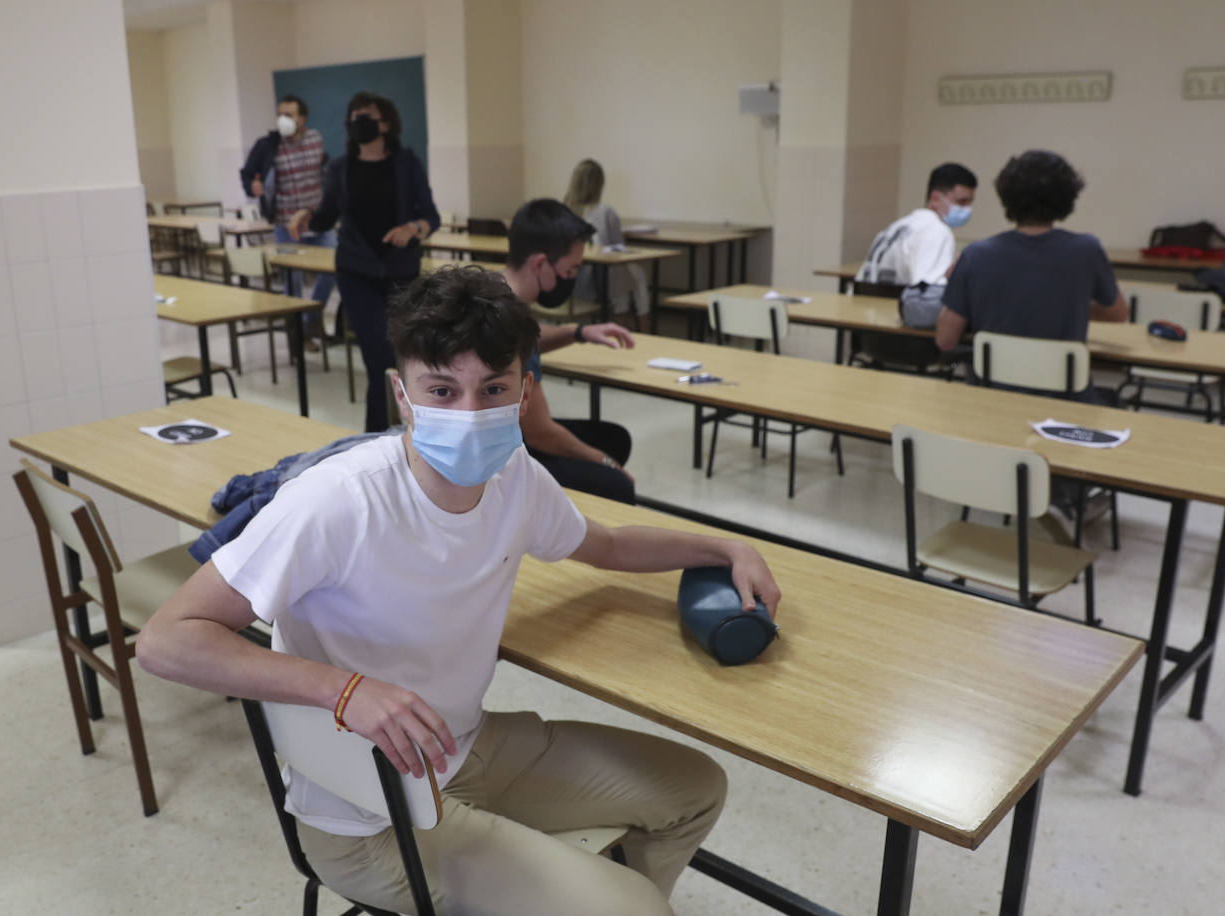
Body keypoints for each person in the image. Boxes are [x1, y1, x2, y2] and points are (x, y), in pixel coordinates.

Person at [136, 264, 781, 915]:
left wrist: (726, 547)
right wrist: (345, 690)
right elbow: (166, 640)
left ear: (523, 393)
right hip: (368, 817)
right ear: (401, 392)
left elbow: (606, 544)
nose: (470, 414)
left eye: (492, 388)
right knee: (630, 910)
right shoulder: (339, 502)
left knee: (694, 789)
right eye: (441, 390)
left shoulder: (515, 477)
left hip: (462, 749)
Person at [288, 91, 440, 432]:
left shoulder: (407, 163)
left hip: (401, 273)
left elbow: (431, 217)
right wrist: (305, 218)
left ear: (385, 122)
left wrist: (413, 228)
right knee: (378, 359)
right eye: (354, 116)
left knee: (401, 357)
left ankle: (403, 434)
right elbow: (326, 215)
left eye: (367, 115)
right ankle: (378, 438)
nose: (359, 121)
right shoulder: (340, 168)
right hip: (356, 272)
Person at [934, 150, 1127, 369]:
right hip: (1063, 392)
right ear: (1068, 197)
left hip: (992, 391)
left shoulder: (975, 255)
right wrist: (1065, 303)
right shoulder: (1086, 250)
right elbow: (1118, 314)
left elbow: (945, 340)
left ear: (1006, 196)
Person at [503, 198, 641, 504]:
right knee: (616, 483)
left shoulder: (497, 291)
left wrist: (579, 332)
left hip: (503, 437)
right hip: (504, 458)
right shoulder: (513, 322)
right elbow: (539, 432)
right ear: (539, 263)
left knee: (614, 439)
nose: (571, 279)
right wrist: (603, 462)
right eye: (570, 270)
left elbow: (532, 342)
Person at [238, 95, 336, 310]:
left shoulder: (315, 138)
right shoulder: (268, 145)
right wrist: (252, 188)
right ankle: (299, 330)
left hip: (317, 219)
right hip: (286, 222)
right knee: (293, 279)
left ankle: (311, 318)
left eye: (288, 115)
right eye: (279, 115)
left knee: (336, 267)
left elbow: (324, 170)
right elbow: (247, 174)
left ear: (301, 118)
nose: (282, 119)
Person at [856, 162, 978, 329]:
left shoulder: (897, 226)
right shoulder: (937, 232)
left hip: (867, 328)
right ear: (935, 198)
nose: (967, 209)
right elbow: (929, 303)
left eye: (970, 203)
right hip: (907, 335)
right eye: (961, 202)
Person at [564, 159, 650, 329]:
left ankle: (628, 318)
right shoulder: (605, 211)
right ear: (599, 185)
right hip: (599, 278)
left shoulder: (564, 210)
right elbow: (619, 248)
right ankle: (641, 325)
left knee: (625, 276)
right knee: (635, 275)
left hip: (573, 280)